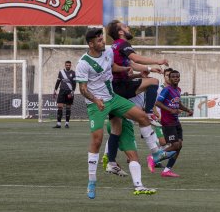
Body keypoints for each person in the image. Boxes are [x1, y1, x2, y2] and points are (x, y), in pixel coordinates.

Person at [76, 28, 175, 199]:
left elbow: (112, 66)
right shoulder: (83, 63)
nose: (103, 42)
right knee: (97, 139)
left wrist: (125, 70)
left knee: (143, 117)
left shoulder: (107, 51)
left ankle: (156, 152)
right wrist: (95, 100)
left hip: (113, 98)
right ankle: (92, 181)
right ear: (91, 44)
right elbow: (82, 89)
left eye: (102, 38)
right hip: (96, 104)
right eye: (99, 40)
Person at [105, 19, 169, 174]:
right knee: (153, 83)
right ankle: (149, 113)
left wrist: (148, 69)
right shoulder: (123, 43)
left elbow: (132, 65)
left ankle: (111, 162)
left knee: (116, 127)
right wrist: (158, 60)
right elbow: (136, 59)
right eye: (125, 27)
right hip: (120, 86)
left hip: (113, 89)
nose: (128, 28)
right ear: (120, 32)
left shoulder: (114, 47)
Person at [154, 70, 193, 177]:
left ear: (179, 78)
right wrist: (170, 110)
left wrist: (187, 110)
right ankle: (154, 158)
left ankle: (167, 170)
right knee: (175, 145)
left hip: (176, 121)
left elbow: (178, 103)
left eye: (177, 76)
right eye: (173, 77)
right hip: (167, 122)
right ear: (169, 79)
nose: (175, 78)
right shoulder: (166, 90)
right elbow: (157, 102)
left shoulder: (178, 90)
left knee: (179, 146)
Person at [53, 61, 76, 128]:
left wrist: (72, 92)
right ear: (65, 65)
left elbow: (74, 84)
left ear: (70, 65)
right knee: (60, 106)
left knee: (68, 107)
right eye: (67, 65)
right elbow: (58, 82)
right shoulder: (61, 72)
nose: (68, 66)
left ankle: (67, 123)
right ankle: (59, 124)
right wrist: (55, 90)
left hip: (69, 91)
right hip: (62, 91)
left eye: (69, 65)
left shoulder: (73, 73)